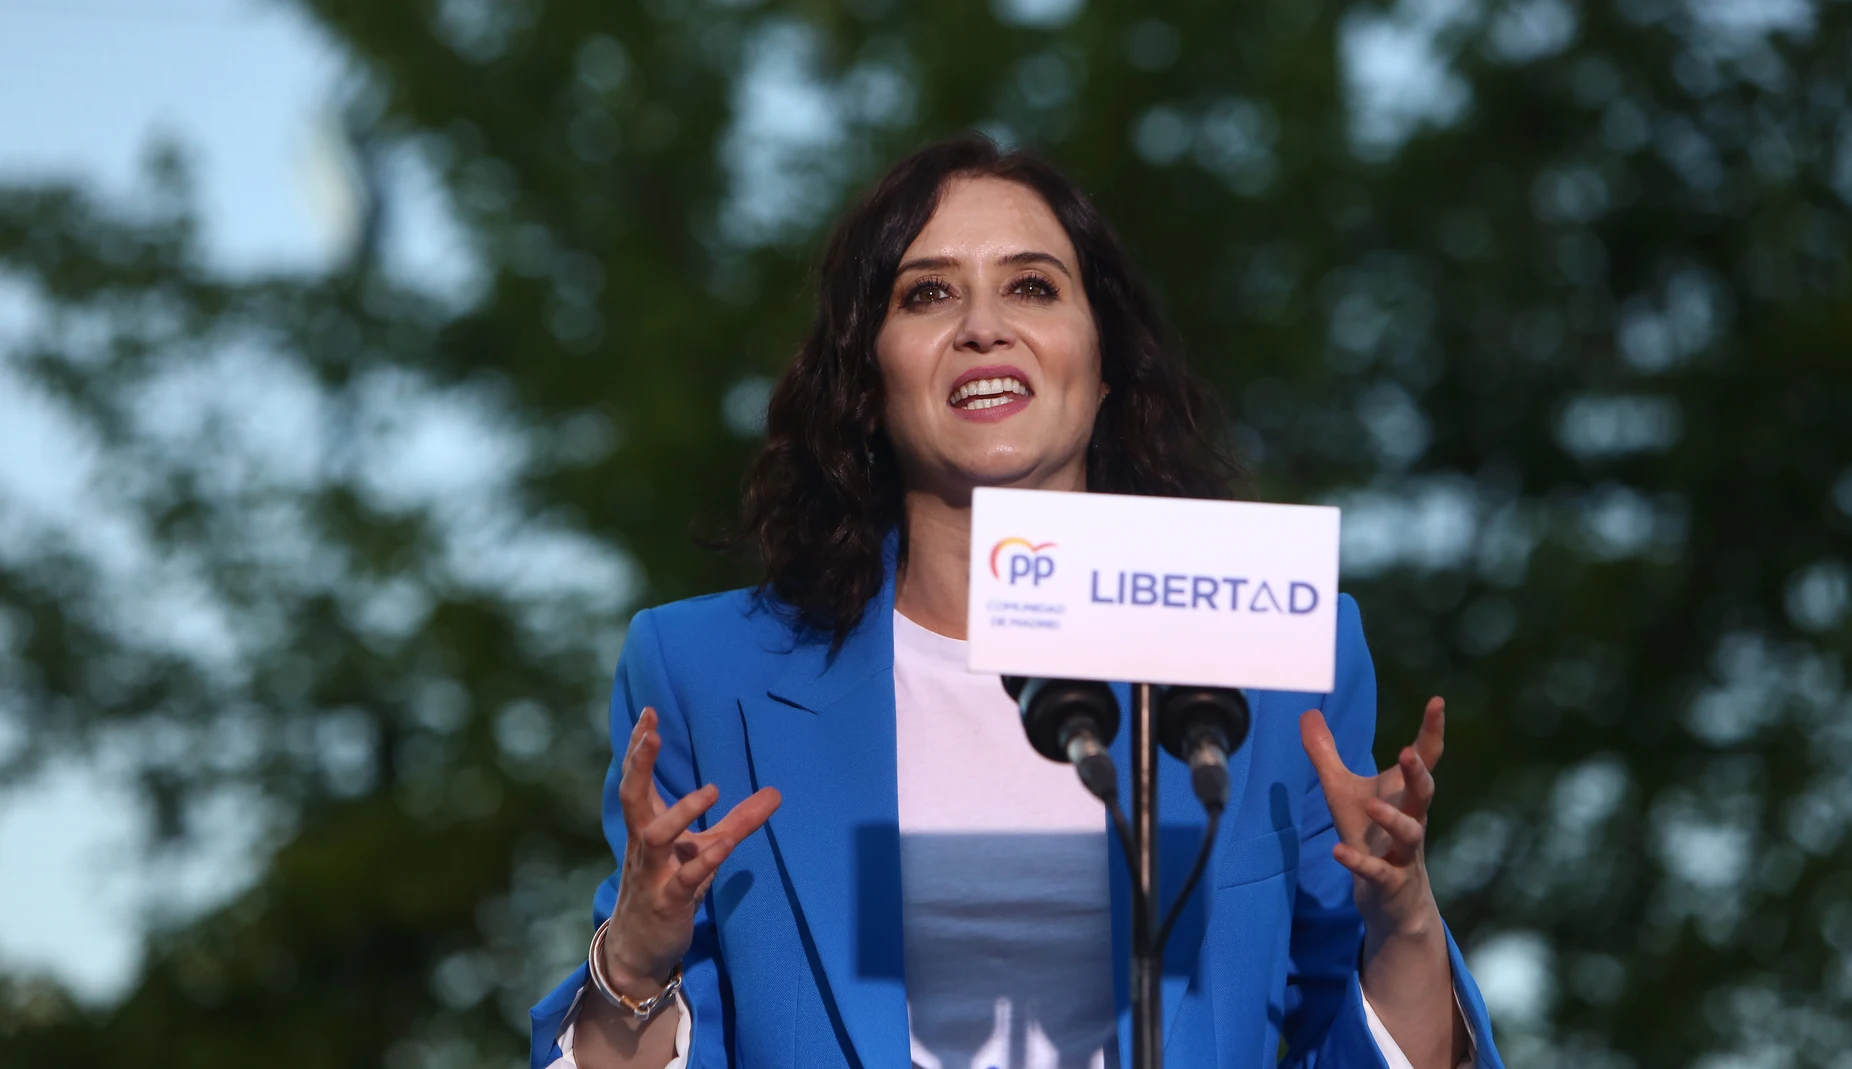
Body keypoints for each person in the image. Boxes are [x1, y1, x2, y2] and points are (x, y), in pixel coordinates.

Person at [530, 134, 1504, 1069]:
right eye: (928, 293)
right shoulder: (706, 673)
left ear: (1105, 360)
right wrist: (637, 957)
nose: (982, 325)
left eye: (1032, 285)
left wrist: (1404, 916)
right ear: (868, 373)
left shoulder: (1275, 644)